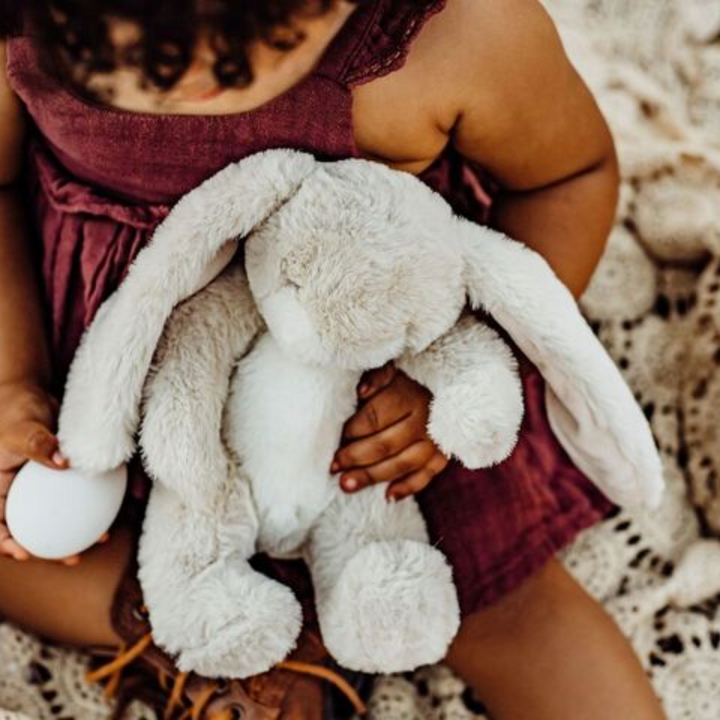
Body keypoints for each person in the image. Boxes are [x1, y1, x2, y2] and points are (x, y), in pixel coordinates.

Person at [0, 0, 665, 717]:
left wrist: (457, 364)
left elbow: (567, 176)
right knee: (24, 540)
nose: (192, 87)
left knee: (502, 602)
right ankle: (190, 624)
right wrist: (14, 379)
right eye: (116, 65)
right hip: (120, 370)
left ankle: (275, 623)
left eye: (239, 58)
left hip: (370, 397)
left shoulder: (457, 37)